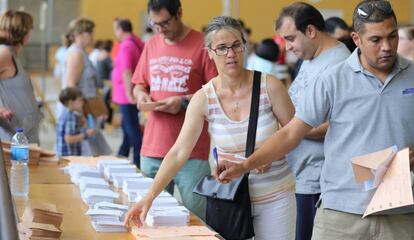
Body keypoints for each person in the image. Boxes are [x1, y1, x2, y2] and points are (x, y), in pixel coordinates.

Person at [219, 1, 414, 239]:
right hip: (341, 213)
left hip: (399, 213)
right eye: (376, 40)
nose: (386, 47)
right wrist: (245, 165)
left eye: (392, 36)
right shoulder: (334, 79)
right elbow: (291, 133)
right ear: (356, 39)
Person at [125, 16, 296, 240]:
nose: (231, 54)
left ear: (245, 45)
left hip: (275, 196)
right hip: (229, 200)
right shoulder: (203, 98)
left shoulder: (270, 86)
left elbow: (293, 132)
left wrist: (270, 155)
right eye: (222, 48)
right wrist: (149, 196)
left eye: (236, 45)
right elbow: (178, 152)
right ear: (210, 53)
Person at [129, 0, 217, 220]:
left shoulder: (202, 45)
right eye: (154, 24)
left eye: (165, 23)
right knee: (150, 217)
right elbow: (139, 83)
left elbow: (216, 91)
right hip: (153, 147)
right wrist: (141, 95)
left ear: (179, 13)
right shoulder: (151, 44)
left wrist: (184, 102)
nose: (160, 29)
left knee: (196, 219)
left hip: (192, 152)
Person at [274, 3, 351, 240]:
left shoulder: (339, 64)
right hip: (298, 173)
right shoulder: (310, 57)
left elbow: (339, 122)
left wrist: (293, 125)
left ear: (310, 31)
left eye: (291, 38)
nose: (288, 47)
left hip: (316, 179)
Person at [62, 18, 111, 156]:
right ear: (81, 34)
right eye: (91, 33)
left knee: (94, 149)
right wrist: (78, 113)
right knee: (87, 152)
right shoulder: (76, 54)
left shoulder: (82, 53)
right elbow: (71, 86)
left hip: (87, 108)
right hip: (81, 110)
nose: (93, 37)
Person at [0, 10, 42, 143]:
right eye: (30, 28)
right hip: (12, 137)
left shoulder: (13, 54)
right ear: (23, 31)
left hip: (25, 134)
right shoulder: (4, 53)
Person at [112, 18, 144, 167]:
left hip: (126, 96)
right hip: (127, 94)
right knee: (127, 129)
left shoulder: (126, 46)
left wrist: (129, 93)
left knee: (132, 130)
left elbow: (126, 71)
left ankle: (138, 161)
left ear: (120, 29)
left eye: (115, 29)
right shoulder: (134, 43)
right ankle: (121, 156)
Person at [56, 87, 96, 156]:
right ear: (71, 103)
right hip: (69, 157)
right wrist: (86, 134)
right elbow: (68, 139)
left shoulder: (64, 114)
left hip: (63, 155)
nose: (83, 103)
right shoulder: (70, 117)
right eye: (80, 100)